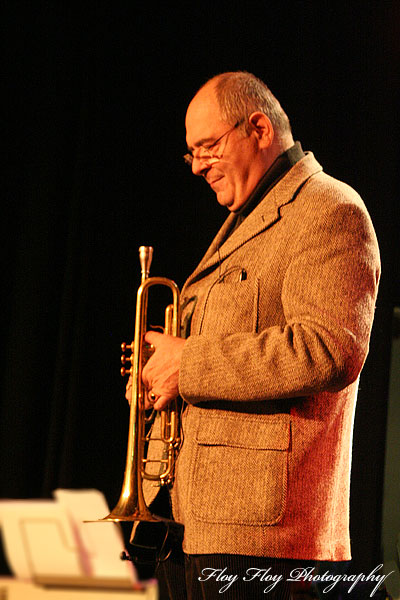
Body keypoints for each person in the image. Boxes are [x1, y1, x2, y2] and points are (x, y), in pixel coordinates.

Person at [130, 71, 381, 599]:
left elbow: (329, 348)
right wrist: (159, 378)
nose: (198, 166)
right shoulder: (246, 219)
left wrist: (189, 364)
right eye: (191, 153)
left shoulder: (329, 209)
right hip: (192, 527)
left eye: (208, 147)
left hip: (265, 540)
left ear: (259, 128)